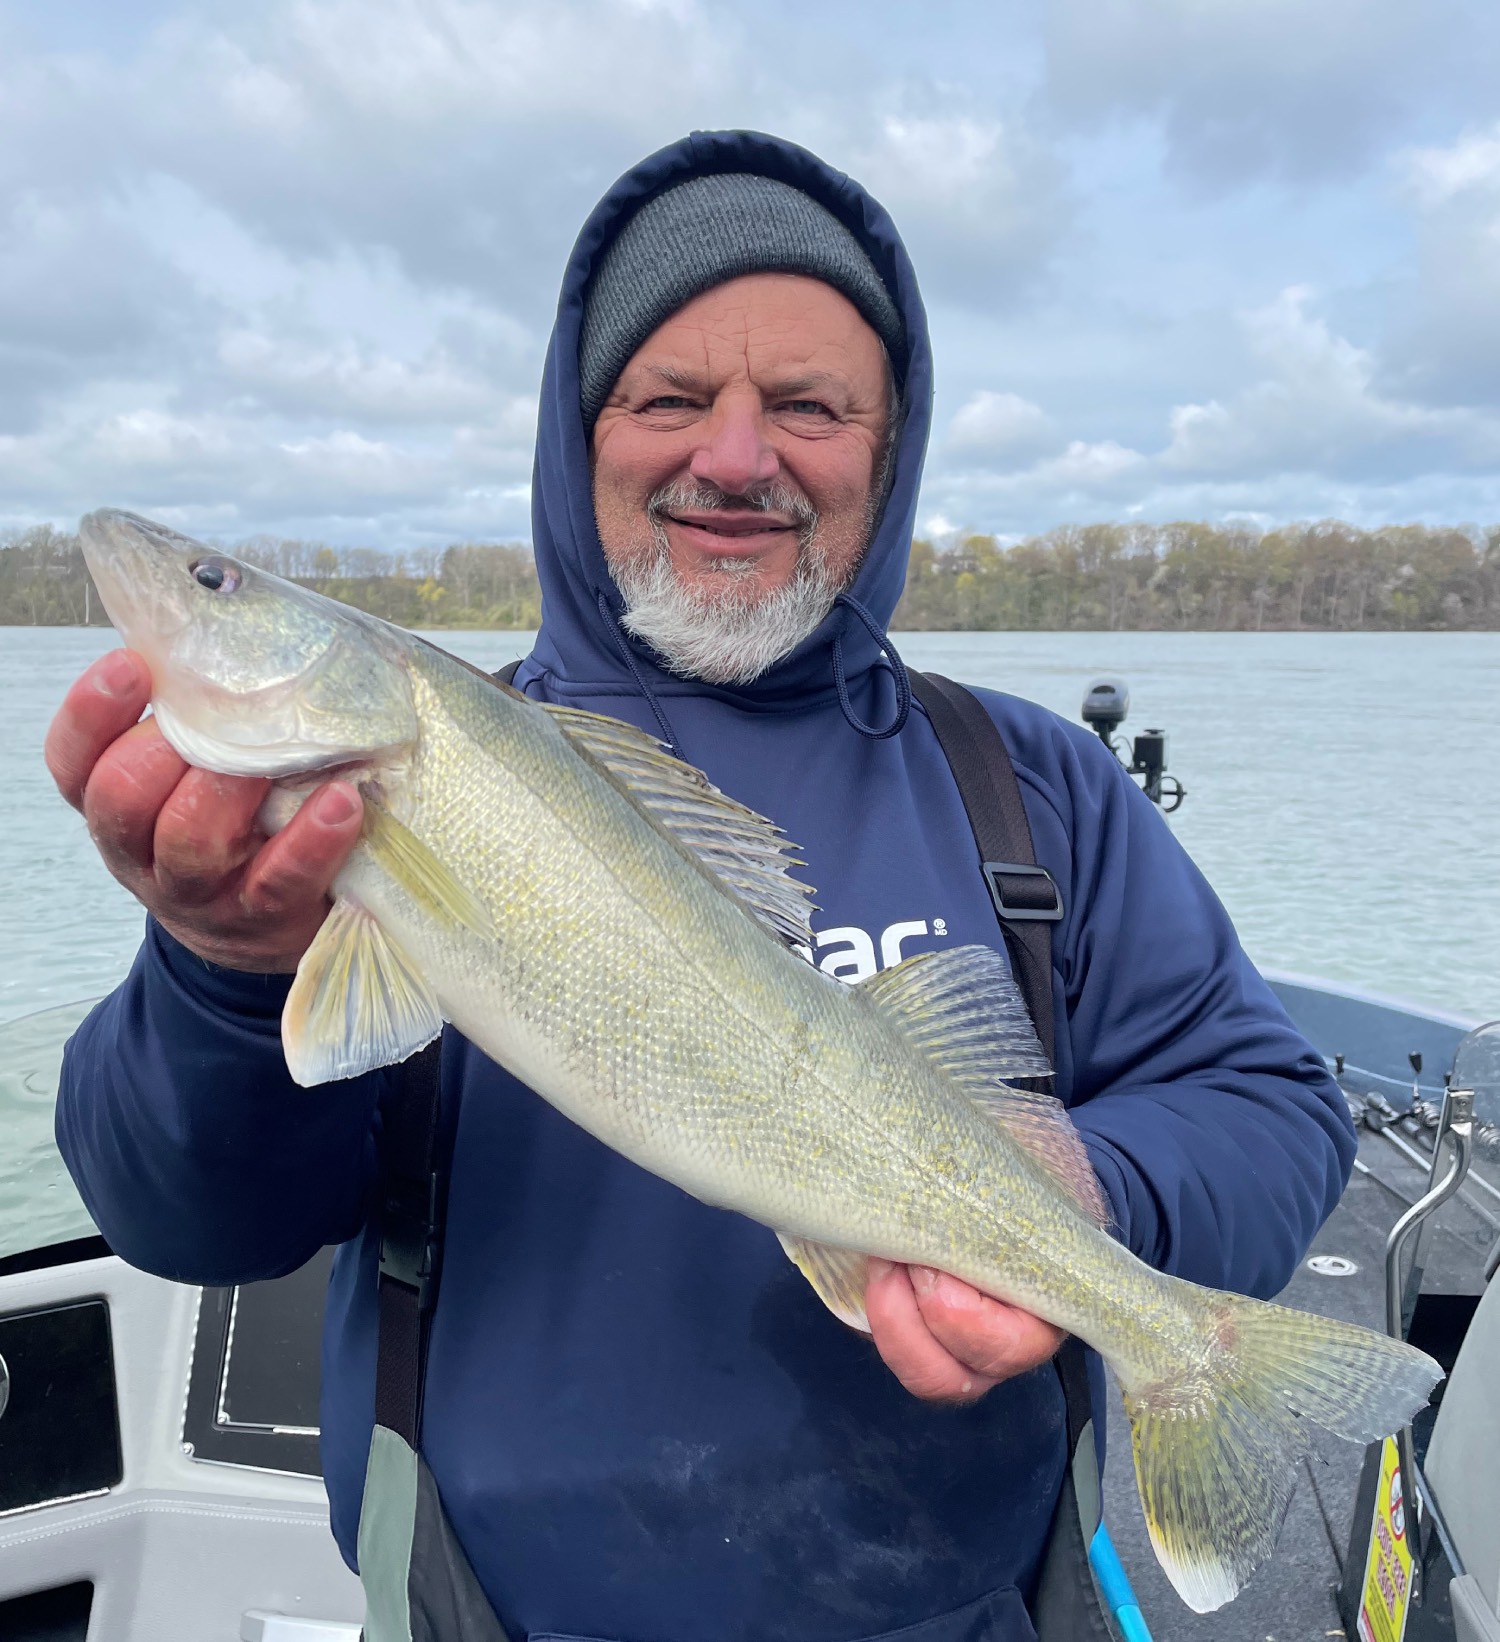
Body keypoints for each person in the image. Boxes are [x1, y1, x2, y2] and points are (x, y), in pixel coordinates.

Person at [48, 131, 1354, 1642]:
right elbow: (190, 1219)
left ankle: (1186, 1347)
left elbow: (1270, 1102)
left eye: (807, 405)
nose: (735, 456)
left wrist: (1089, 1198)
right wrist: (223, 970)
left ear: (889, 445)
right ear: (578, 431)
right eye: (669, 397)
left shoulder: (1035, 787)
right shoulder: (362, 817)